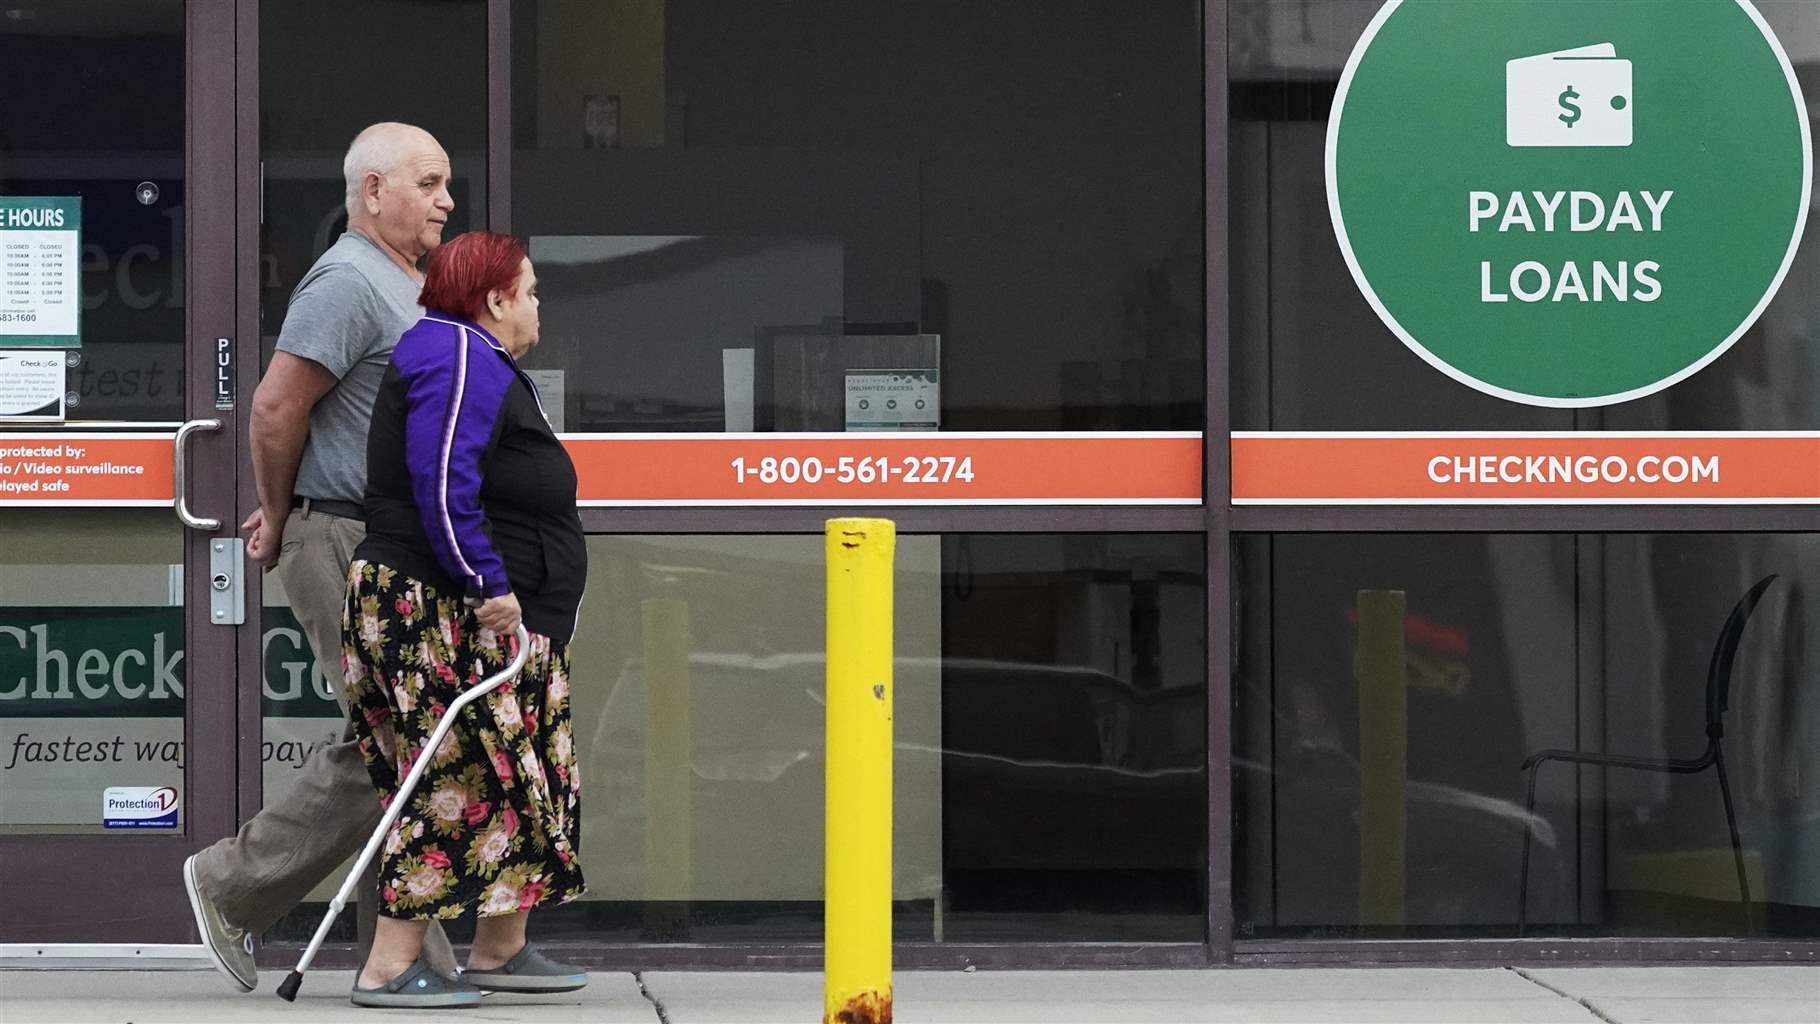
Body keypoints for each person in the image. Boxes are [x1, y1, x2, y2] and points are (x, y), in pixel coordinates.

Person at [182, 122, 459, 990]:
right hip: (338, 536)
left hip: (379, 541)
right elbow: (273, 409)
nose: (447, 200)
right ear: (374, 191)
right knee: (403, 738)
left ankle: (407, 955)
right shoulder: (347, 281)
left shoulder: (402, 281)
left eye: (447, 184)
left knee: (400, 740)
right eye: (430, 182)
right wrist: (278, 511)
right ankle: (232, 886)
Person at [342, 231, 588, 1008]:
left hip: (480, 613)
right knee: (457, 775)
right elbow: (442, 480)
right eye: (533, 290)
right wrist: (488, 580)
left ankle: (500, 948)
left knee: (522, 772)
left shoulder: (475, 359)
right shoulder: (457, 355)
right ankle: (387, 965)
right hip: (438, 607)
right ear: (495, 300)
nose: (538, 304)